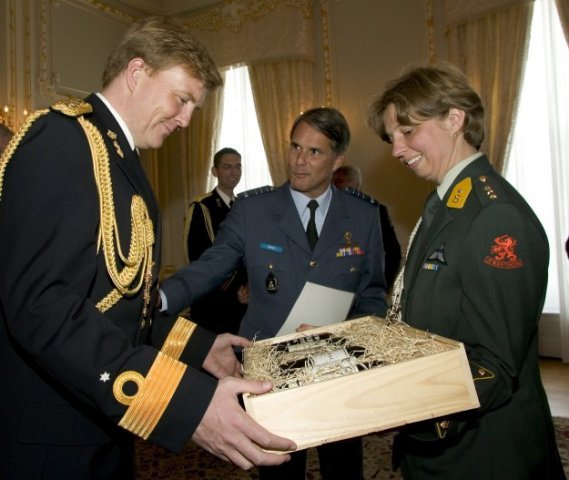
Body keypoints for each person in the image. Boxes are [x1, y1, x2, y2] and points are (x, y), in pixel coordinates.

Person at [0, 17, 295, 480]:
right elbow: (43, 305)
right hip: (52, 436)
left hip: (98, 420)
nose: (186, 120)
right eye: (182, 99)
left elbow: (119, 303)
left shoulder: (117, 153)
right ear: (137, 72)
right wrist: (177, 401)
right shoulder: (62, 140)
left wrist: (197, 347)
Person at [161, 107, 389, 480]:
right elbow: (210, 265)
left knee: (344, 469)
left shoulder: (363, 215)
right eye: (295, 147)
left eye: (314, 152)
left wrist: (349, 336)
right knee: (280, 472)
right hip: (271, 373)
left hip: (338, 369)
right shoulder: (254, 210)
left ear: (337, 160)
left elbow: (372, 295)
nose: (299, 160)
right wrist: (158, 300)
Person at [366, 63, 565, 479]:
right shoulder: (445, 203)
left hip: (482, 453)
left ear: (454, 119)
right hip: (443, 448)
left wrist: (401, 407)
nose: (397, 149)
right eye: (391, 137)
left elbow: (492, 366)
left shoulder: (494, 216)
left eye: (407, 131)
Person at [184, 147, 248, 335]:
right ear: (215, 171)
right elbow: (197, 255)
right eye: (227, 167)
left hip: (243, 301)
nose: (233, 172)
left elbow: (249, 252)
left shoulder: (244, 206)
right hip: (214, 302)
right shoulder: (202, 207)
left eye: (237, 166)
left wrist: (248, 286)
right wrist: (235, 289)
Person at [332, 164, 402, 292]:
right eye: (333, 183)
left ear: (355, 184)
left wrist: (380, 288)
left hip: (365, 291)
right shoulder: (326, 213)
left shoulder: (376, 212)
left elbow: (393, 253)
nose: (335, 187)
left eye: (339, 181)